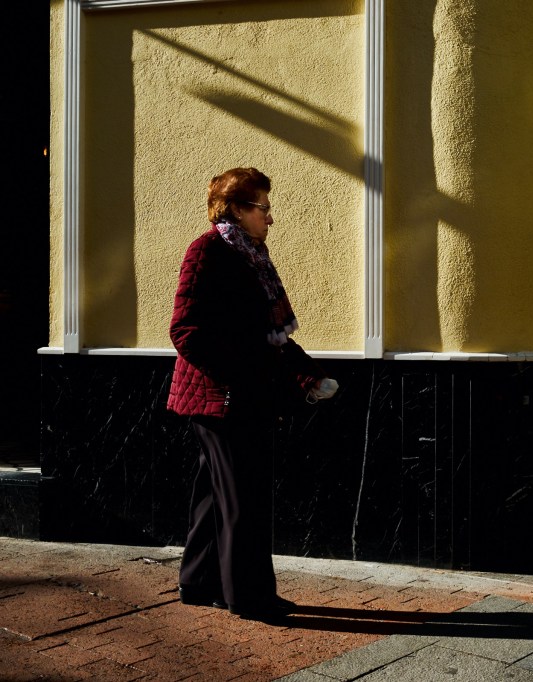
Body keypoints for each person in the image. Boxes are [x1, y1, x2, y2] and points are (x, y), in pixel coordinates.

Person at [167, 167, 339, 623]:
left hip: (242, 395)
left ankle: (198, 582)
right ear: (237, 210)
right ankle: (249, 596)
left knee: (216, 495)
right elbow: (184, 330)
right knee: (244, 499)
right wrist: (236, 377)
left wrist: (309, 376)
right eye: (263, 208)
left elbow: (271, 337)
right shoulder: (206, 251)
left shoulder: (252, 257)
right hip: (220, 399)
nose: (270, 217)